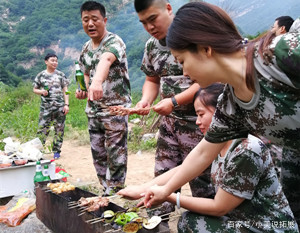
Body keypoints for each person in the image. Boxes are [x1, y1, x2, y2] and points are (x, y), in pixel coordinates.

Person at [141, 2, 300, 227]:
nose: (184, 72)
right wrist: (163, 189)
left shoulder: (280, 53)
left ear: (206, 48)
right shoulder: (231, 104)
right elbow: (204, 152)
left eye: (183, 61)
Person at [119, 83, 299, 232]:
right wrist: (142, 189)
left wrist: (170, 197)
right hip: (245, 222)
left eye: (200, 114)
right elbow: (183, 169)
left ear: (221, 112)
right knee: (190, 221)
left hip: (269, 227)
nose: (197, 122)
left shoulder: (246, 150)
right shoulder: (217, 144)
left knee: (193, 223)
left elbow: (220, 207)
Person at [132, 0, 214, 218]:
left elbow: (208, 78)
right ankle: (157, 225)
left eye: (153, 19)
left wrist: (175, 101)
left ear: (168, 9)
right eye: (143, 23)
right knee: (163, 177)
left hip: (198, 125)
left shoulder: (193, 35)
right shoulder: (152, 46)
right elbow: (152, 79)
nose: (150, 27)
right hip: (169, 125)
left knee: (203, 184)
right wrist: (145, 101)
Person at [75, 1, 131, 196]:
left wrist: (98, 82)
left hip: (115, 109)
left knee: (116, 155)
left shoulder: (114, 42)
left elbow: (105, 60)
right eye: (85, 20)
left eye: (94, 19)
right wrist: (84, 89)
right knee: (98, 154)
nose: (90, 24)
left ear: (104, 20)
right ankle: (105, 190)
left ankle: (114, 194)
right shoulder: (85, 48)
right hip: (94, 111)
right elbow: (86, 74)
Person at [33, 53, 69, 160]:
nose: (55, 63)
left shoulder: (61, 75)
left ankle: (56, 151)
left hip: (59, 107)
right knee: (43, 129)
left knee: (59, 129)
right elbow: (34, 89)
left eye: (56, 61)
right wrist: (41, 91)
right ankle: (38, 151)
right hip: (46, 108)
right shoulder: (41, 75)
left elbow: (66, 90)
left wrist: (66, 104)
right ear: (46, 62)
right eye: (52, 60)